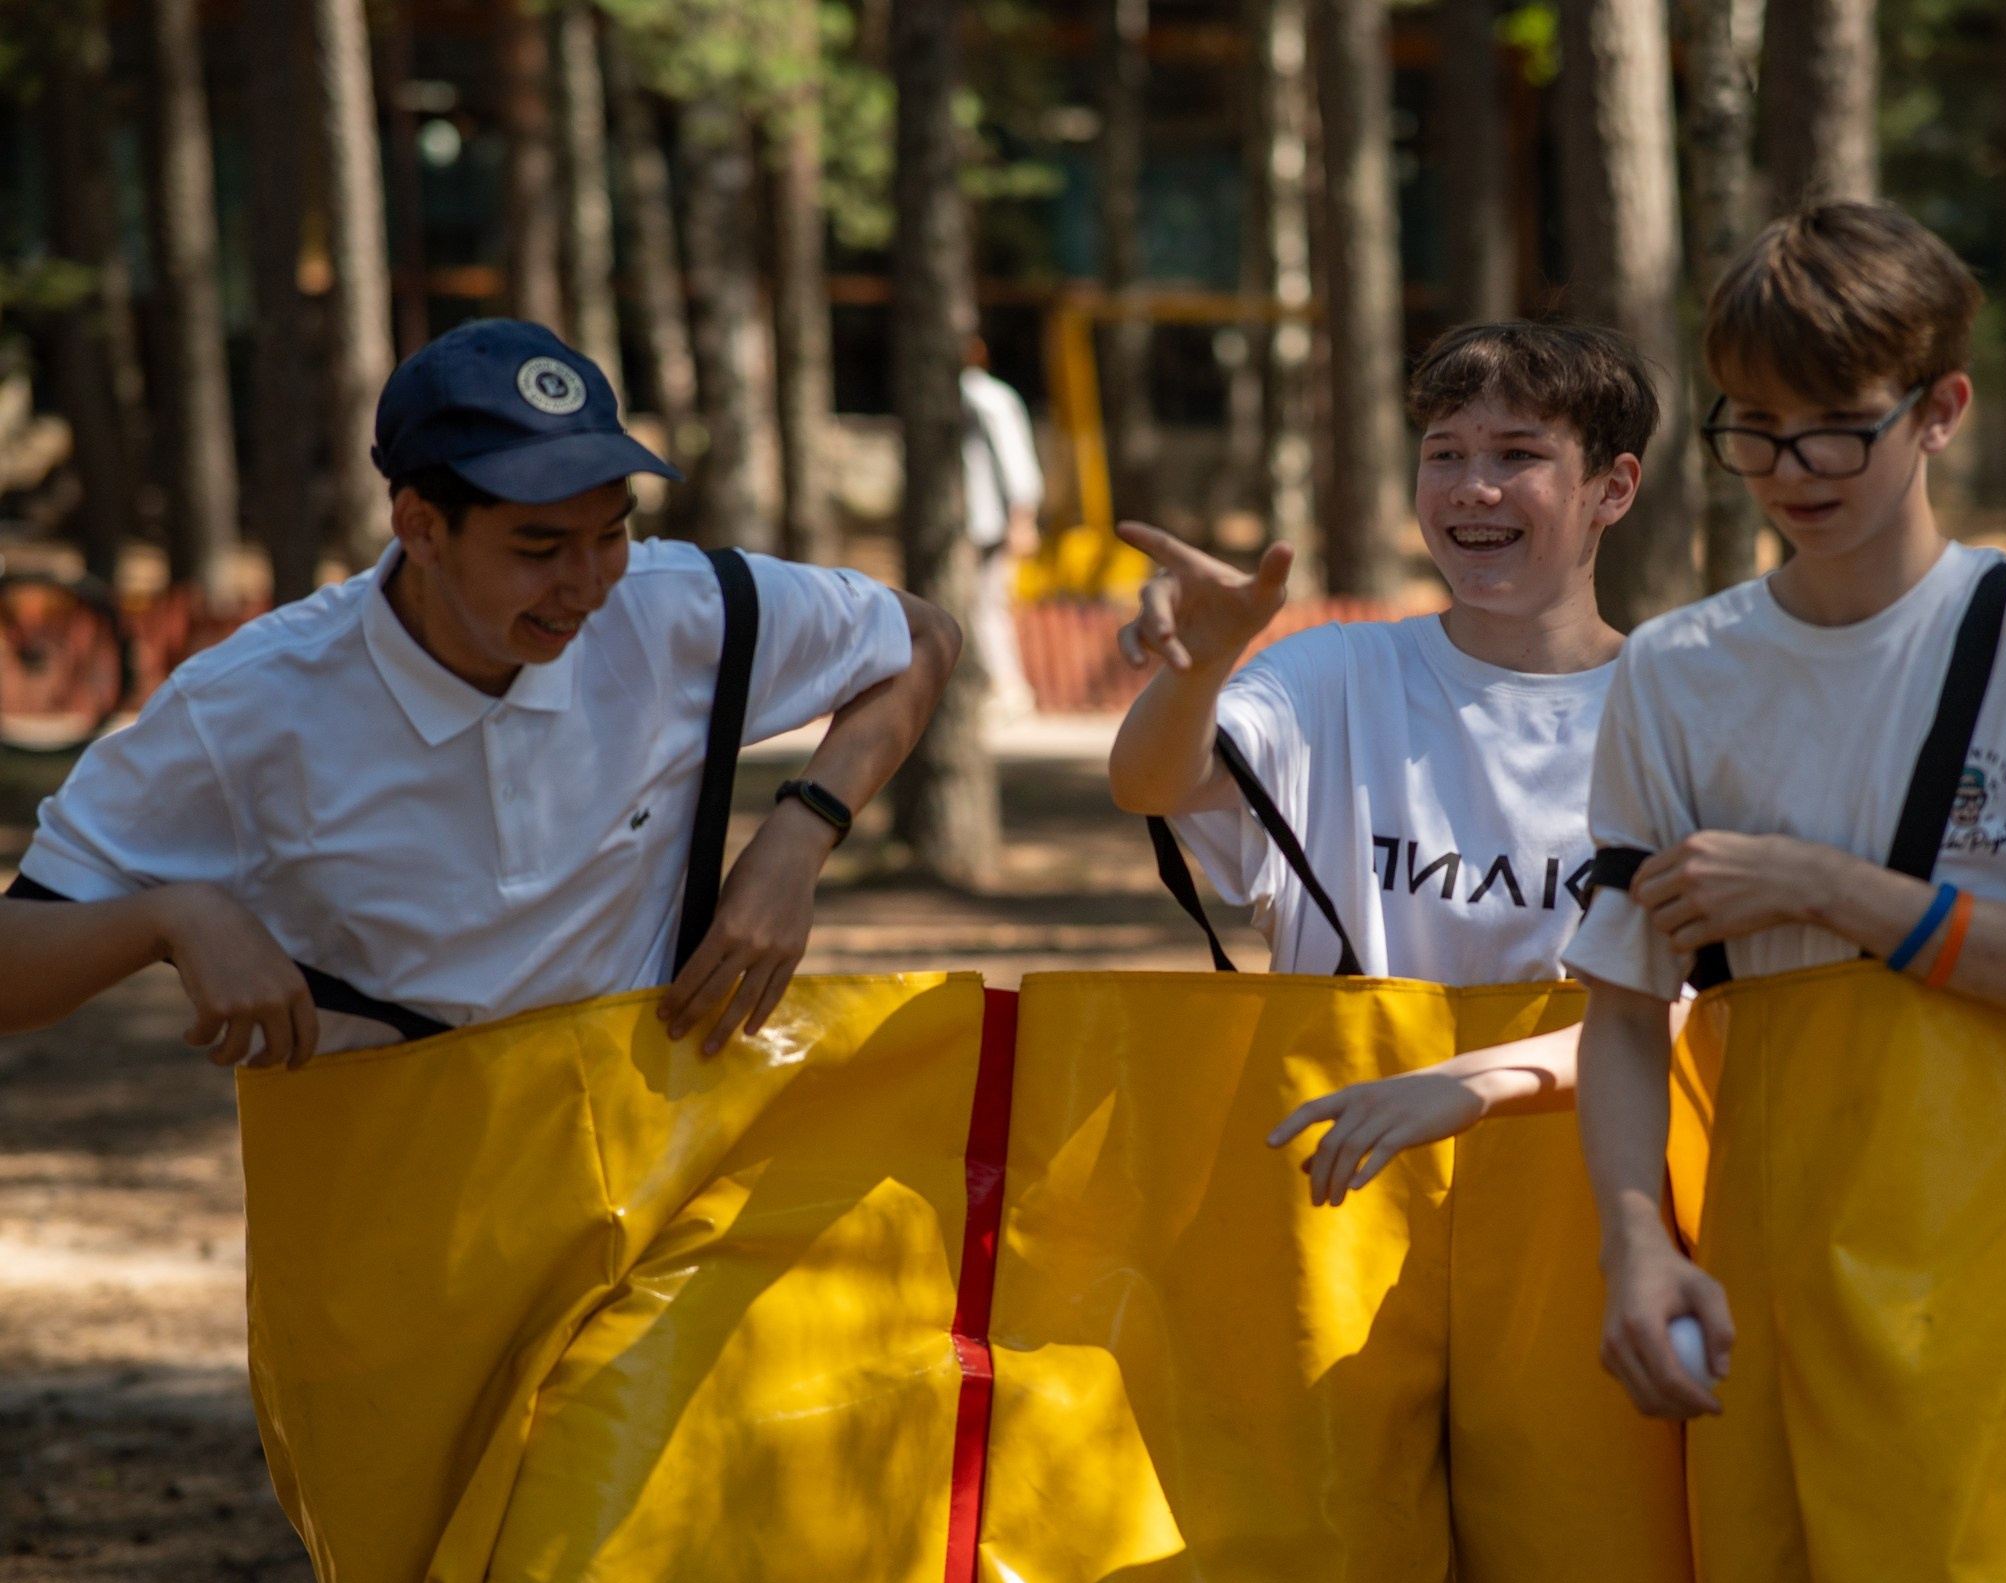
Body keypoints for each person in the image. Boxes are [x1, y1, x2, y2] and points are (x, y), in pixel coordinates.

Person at [1564, 199, 2006, 1419]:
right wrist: (1634, 1241)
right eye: (1754, 431)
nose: (1792, 471)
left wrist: (1822, 885)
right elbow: (1627, 1016)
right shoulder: (1674, 669)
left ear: (1940, 412)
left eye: (1838, 431)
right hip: (1771, 1284)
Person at [0, 318, 958, 1065]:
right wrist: (172, 916)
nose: (588, 584)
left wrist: (798, 838)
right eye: (539, 548)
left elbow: (920, 638)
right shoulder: (248, 708)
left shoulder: (680, 611)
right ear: (420, 526)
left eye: (611, 532)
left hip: (649, 1198)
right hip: (392, 1225)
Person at [1109, 319, 1653, 1203]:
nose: (1473, 488)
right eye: (1444, 454)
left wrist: (1472, 1085)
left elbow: (1692, 1010)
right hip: (1341, 1206)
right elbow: (1148, 781)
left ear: (1612, 487)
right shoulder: (1335, 675)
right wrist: (1200, 669)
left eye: (1518, 455)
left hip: (1579, 1221)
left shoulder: (1674, 716)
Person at [962, 334, 1045, 722]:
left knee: (987, 604)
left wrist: (1021, 518)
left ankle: (1007, 686)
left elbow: (1015, 462)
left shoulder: (984, 399)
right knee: (980, 604)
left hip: (985, 522)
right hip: (978, 520)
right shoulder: (991, 396)